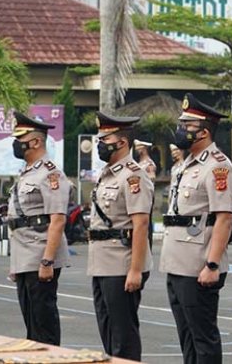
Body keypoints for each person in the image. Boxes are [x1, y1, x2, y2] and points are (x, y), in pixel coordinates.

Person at [159, 93, 232, 364]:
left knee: (203, 338)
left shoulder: (218, 168)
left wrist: (212, 265)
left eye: (186, 125)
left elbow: (224, 219)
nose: (180, 129)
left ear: (203, 131)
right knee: (187, 337)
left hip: (199, 266)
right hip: (177, 262)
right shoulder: (185, 165)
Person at [88, 112, 153, 360]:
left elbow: (141, 224)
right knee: (107, 330)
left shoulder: (133, 176)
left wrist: (135, 270)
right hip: (102, 263)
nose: (100, 143)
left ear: (122, 142)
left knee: (123, 334)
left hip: (121, 264)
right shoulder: (108, 174)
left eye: (106, 138)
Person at [5, 112, 70, 346]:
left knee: (44, 324)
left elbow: (58, 219)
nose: (15, 143)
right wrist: (16, 264)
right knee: (31, 324)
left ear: (35, 142)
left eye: (20, 138)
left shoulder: (50, 174)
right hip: (25, 255)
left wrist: (47, 261)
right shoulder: (28, 172)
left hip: (40, 254)